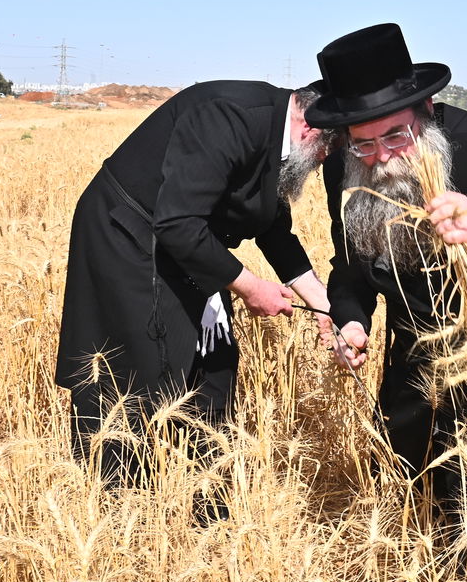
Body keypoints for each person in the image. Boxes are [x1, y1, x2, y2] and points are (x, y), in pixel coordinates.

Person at [308, 23, 467, 507]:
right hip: (417, 364)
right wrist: (350, 319)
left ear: (426, 112)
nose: (381, 159)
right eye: (363, 144)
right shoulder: (346, 169)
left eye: (394, 137)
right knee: (421, 500)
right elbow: (349, 264)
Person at [56, 79, 333, 475]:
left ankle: (206, 498)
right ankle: (118, 497)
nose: (324, 162)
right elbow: (178, 223)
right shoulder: (231, 115)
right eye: (330, 149)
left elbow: (272, 227)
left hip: (190, 241)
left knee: (213, 358)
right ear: (311, 127)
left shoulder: (279, 131)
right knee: (138, 367)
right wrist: (251, 288)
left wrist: (320, 303)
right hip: (129, 237)